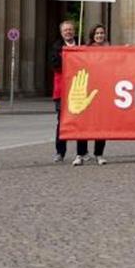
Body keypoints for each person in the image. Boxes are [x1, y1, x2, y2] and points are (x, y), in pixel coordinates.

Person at [73, 24, 111, 165]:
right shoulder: (86, 50)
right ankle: (80, 153)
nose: (100, 35)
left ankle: (99, 154)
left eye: (101, 33)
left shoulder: (110, 50)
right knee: (83, 123)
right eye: (97, 33)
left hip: (104, 91)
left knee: (101, 124)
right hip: (88, 89)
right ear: (92, 35)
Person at [49, 19, 79, 163]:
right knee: (62, 121)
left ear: (74, 31)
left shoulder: (82, 45)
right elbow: (55, 65)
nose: (68, 32)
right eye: (65, 30)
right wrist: (72, 60)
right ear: (62, 33)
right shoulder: (56, 47)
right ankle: (60, 152)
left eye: (70, 29)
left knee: (82, 121)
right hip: (62, 90)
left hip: (80, 89)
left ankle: (82, 152)